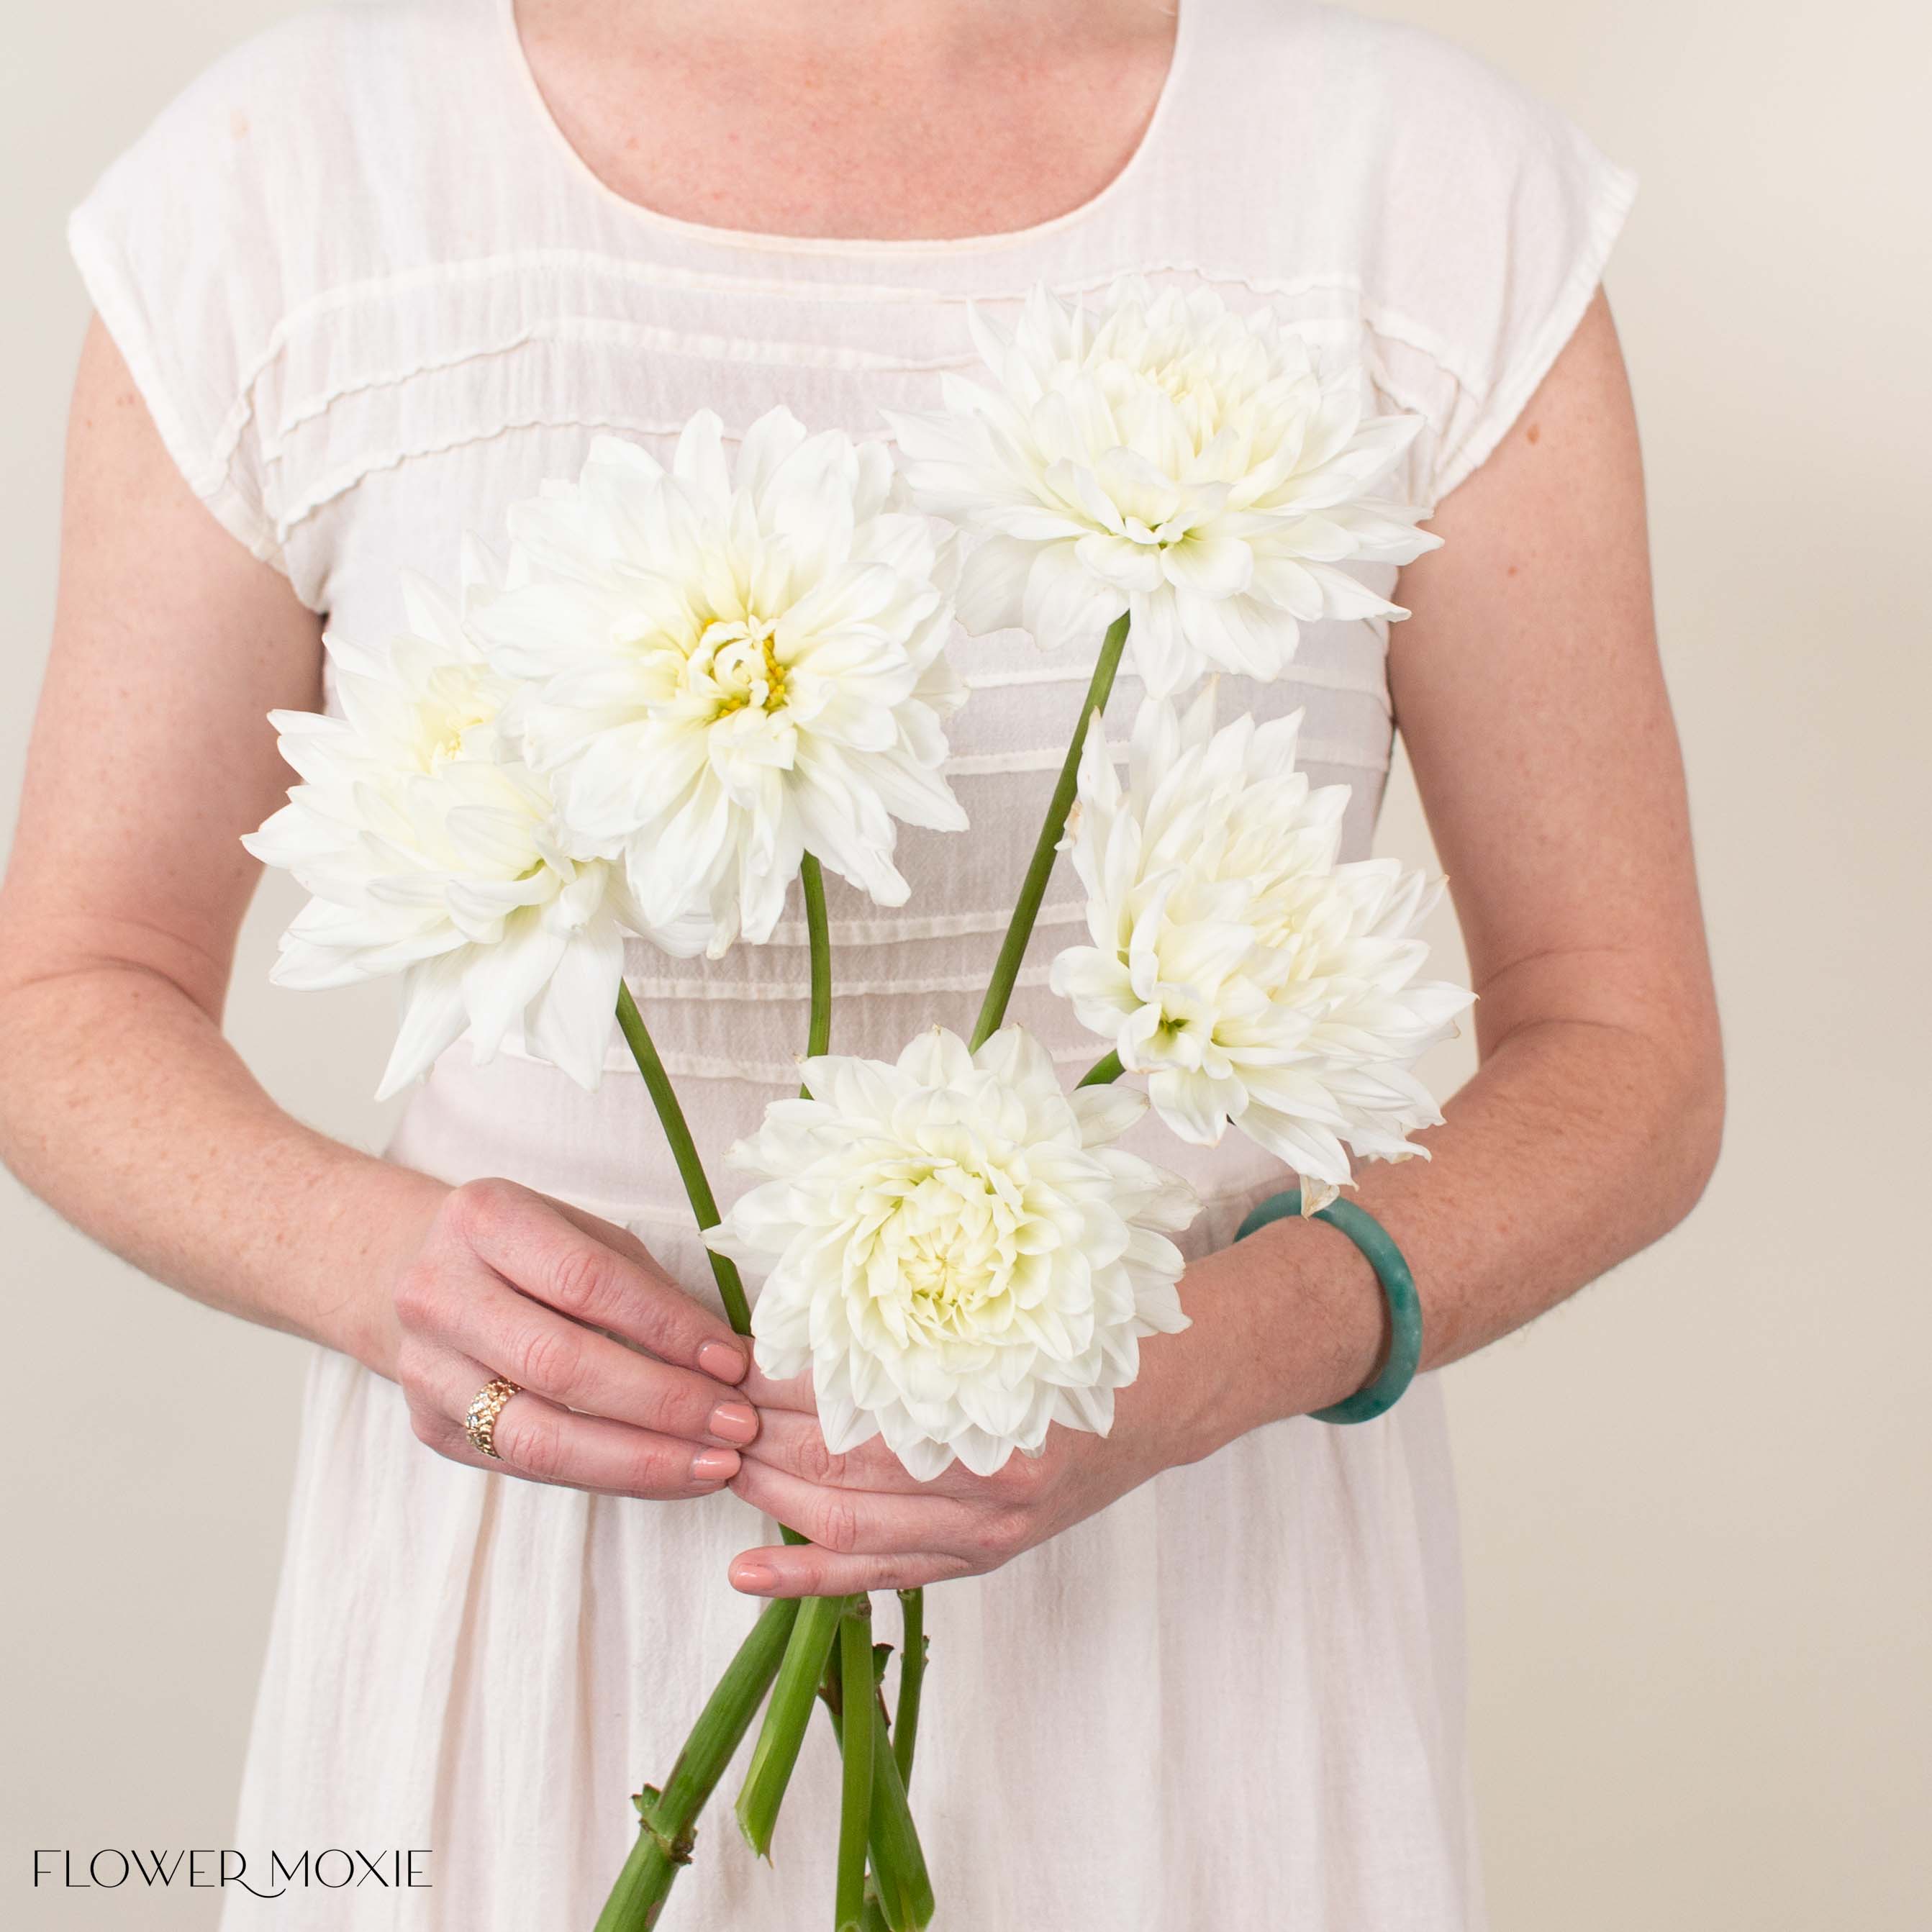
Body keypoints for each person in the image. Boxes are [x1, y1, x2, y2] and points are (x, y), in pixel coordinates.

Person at [0, 1, 1721, 1926]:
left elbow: (1625, 1045)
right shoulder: (295, 181)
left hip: (1186, 1598)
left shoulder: (1424, 190)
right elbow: (72, 988)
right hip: (537, 1585)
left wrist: (1223, 1350)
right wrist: (364, 1262)